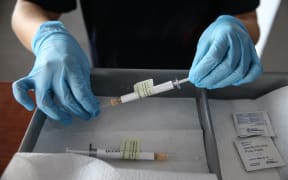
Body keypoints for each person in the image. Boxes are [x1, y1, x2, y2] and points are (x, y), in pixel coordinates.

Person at [11, 0, 263, 124]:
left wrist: (236, 30)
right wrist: (47, 38)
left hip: (205, 76)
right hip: (112, 72)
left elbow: (246, 16)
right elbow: (27, 8)